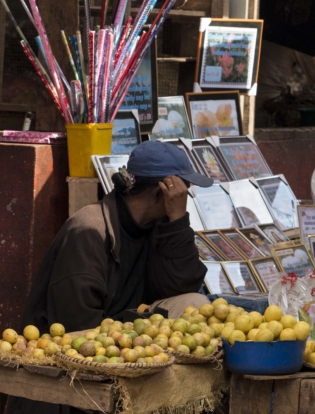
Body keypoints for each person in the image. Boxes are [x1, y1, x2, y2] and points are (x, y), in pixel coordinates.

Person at [8, 141, 213, 414]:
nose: (185, 197)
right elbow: (77, 328)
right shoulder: (88, 231)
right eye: (184, 190)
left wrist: (177, 222)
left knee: (197, 304)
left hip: (130, 337)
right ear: (161, 192)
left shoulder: (159, 226)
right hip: (75, 369)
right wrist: (138, 331)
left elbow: (183, 286)